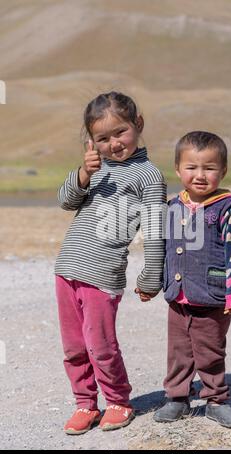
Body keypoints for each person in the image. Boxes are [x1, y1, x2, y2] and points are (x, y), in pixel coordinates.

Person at [55, 91, 166, 434]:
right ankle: (85, 404)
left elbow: (155, 230)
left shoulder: (148, 176)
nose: (114, 143)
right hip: (66, 269)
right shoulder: (96, 168)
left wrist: (151, 276)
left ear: (138, 125)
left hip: (102, 275)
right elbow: (65, 201)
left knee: (100, 345)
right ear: (92, 141)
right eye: (103, 138)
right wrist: (83, 174)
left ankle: (118, 400)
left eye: (120, 132)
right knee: (74, 347)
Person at [153, 131, 231, 429]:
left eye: (209, 167)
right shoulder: (172, 206)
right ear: (178, 169)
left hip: (212, 295)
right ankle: (177, 398)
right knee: (178, 351)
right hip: (178, 296)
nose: (200, 175)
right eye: (192, 167)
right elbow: (163, 249)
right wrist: (153, 283)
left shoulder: (226, 209)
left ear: (223, 171)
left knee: (210, 350)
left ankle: (216, 399)